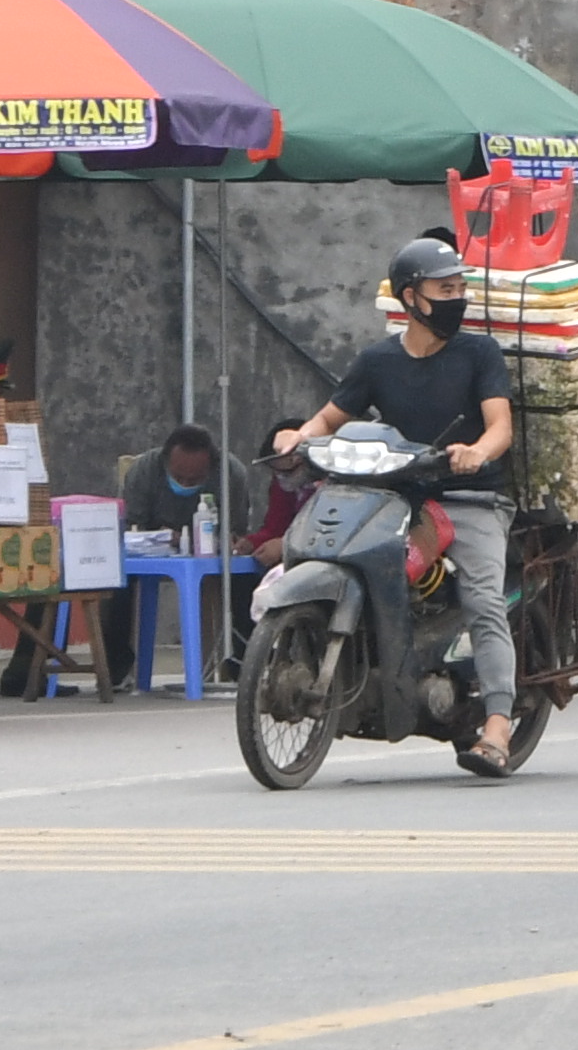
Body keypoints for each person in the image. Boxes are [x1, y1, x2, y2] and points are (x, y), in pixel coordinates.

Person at [274, 238, 523, 767]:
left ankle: (498, 724)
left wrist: (475, 453)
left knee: (483, 600)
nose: (457, 298)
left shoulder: (479, 353)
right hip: (396, 497)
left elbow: (500, 426)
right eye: (445, 289)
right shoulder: (378, 360)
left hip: (469, 498)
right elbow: (329, 419)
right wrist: (299, 437)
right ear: (411, 297)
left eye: (460, 288)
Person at [104, 424, 227, 692]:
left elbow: (237, 528)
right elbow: (132, 529)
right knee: (115, 583)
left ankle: (238, 667)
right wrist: (158, 537)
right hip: (151, 551)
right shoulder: (143, 471)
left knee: (245, 578)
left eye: (195, 480)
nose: (185, 484)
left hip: (209, 555)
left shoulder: (229, 474)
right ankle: (115, 669)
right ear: (165, 461)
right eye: (179, 477)